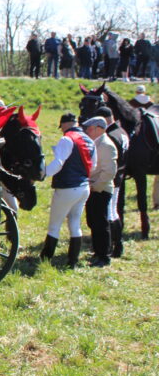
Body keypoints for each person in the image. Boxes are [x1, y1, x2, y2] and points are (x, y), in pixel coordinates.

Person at [40, 112, 96, 266]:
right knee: (75, 222)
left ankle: (46, 258)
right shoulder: (89, 140)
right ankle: (72, 260)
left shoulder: (67, 139)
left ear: (64, 125)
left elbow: (58, 163)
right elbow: (94, 165)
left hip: (67, 187)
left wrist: (43, 175)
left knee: (54, 225)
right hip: (84, 187)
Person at [82, 116, 117, 267]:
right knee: (93, 221)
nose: (87, 131)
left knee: (100, 223)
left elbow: (109, 171)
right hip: (94, 187)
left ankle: (104, 256)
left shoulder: (106, 145)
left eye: (89, 128)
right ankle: (98, 251)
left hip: (101, 189)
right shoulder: (97, 143)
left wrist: (96, 186)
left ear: (98, 128)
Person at [95, 106, 128, 258]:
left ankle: (112, 245)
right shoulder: (122, 132)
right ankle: (117, 244)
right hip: (119, 176)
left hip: (111, 178)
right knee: (113, 211)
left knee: (109, 213)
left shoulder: (110, 136)